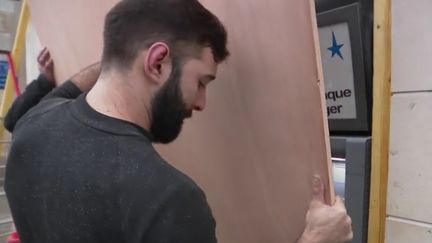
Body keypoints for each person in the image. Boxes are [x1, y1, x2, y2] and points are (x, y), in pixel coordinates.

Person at [5, 0, 352, 242]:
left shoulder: (32, 126)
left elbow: (74, 85)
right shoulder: (166, 199)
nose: (201, 103)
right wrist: (316, 238)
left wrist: (122, 52)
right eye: (201, 81)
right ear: (157, 63)